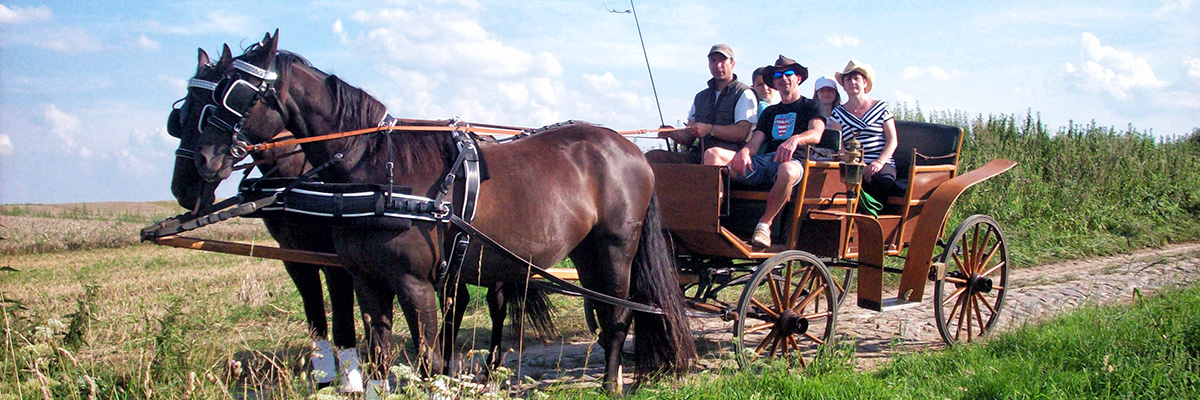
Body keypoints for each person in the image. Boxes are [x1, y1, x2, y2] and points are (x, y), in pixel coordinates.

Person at [728, 55, 826, 248]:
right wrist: (745, 151)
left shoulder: (812, 106)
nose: (783, 78)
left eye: (789, 73)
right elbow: (755, 143)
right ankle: (722, 221)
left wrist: (795, 139)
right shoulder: (769, 113)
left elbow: (816, 133)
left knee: (787, 171)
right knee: (722, 164)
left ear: (798, 78)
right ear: (774, 82)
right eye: (778, 75)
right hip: (766, 161)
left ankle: (764, 225)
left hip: (797, 163)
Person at [648, 44, 757, 166]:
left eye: (722, 60)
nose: (718, 65)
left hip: (729, 158)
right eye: (713, 60)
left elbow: (741, 132)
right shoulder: (700, 97)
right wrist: (672, 132)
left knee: (712, 155)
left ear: (732, 63)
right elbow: (688, 135)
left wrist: (710, 129)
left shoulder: (743, 93)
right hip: (698, 156)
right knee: (653, 157)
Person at [829, 59, 900, 201]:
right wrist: (858, 165)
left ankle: (873, 218)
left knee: (881, 181)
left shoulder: (882, 107)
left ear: (865, 83)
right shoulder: (837, 113)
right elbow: (839, 147)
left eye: (856, 78)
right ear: (843, 86)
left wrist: (878, 163)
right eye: (848, 79)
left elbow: (892, 140)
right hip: (852, 165)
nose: (852, 82)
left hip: (882, 163)